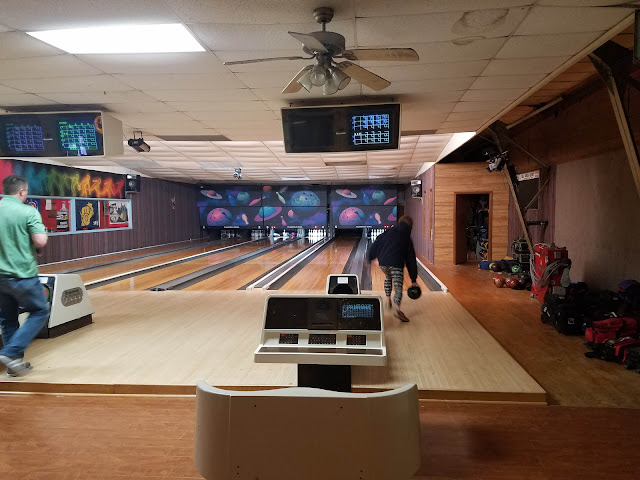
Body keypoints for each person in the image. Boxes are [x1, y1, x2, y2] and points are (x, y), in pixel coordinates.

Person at [0, 175, 49, 377]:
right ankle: (10, 353)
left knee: (7, 319)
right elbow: (40, 241)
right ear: (22, 191)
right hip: (23, 275)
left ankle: (14, 365)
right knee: (40, 311)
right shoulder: (27, 211)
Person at [367, 215, 418, 322]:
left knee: (388, 277)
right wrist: (413, 279)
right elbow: (411, 259)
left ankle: (388, 300)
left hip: (383, 263)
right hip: (396, 263)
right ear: (410, 226)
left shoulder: (387, 232)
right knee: (398, 285)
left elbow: (376, 243)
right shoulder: (407, 237)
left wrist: (370, 257)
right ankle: (397, 309)